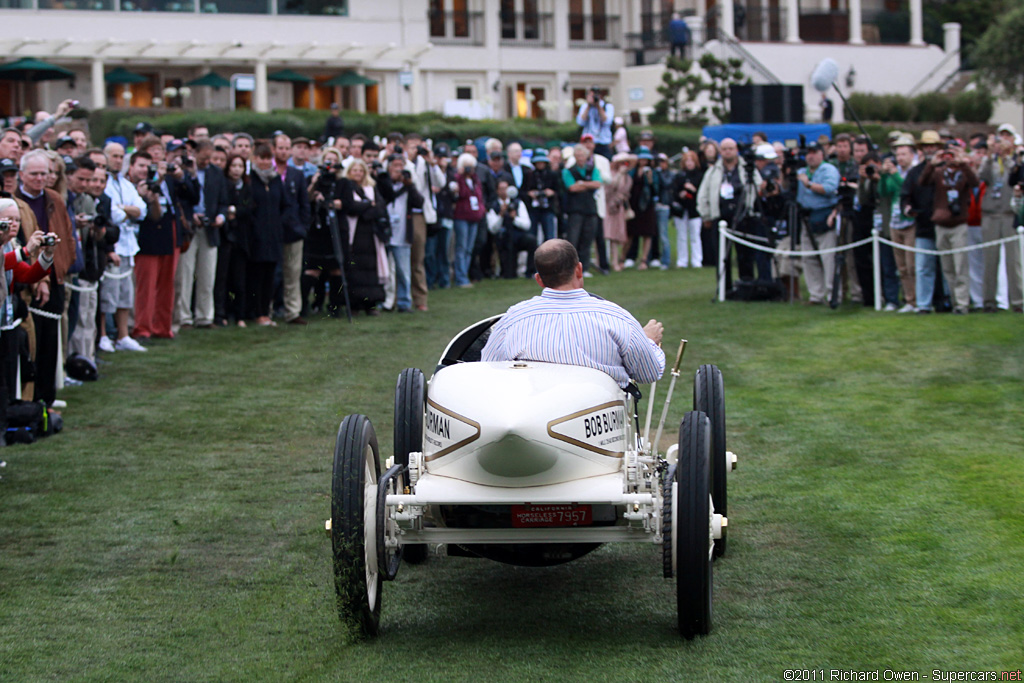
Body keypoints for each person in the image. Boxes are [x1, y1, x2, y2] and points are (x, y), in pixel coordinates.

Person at [481, 239, 665, 389]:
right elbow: (648, 373)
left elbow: (488, 369)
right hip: (598, 422)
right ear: (578, 269)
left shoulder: (513, 318)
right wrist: (648, 341)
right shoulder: (616, 317)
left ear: (539, 279)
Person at [16, 150, 75, 407]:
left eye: (45, 173)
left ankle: (47, 397)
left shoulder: (53, 198)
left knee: (52, 340)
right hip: (29, 277)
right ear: (22, 175)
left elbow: (67, 232)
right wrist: (39, 280)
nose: (41, 178)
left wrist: (62, 265)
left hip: (56, 274)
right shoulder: (15, 202)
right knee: (33, 341)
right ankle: (31, 397)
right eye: (35, 174)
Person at [920, 142, 978, 315]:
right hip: (941, 223)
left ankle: (962, 303)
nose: (949, 157)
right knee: (947, 267)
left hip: (959, 223)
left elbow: (975, 182)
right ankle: (954, 302)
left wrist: (963, 163)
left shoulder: (963, 172)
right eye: (947, 153)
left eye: (952, 154)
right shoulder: (939, 172)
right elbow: (923, 182)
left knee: (961, 265)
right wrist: (932, 163)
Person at [176, 140, 228, 329]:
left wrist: (221, 216)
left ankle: (205, 316)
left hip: (210, 228)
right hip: (190, 228)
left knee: (207, 275)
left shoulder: (216, 173)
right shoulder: (185, 171)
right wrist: (191, 216)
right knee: (186, 274)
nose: (207, 161)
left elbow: (223, 200)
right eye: (204, 157)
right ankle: (184, 317)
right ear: (195, 153)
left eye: (210, 157)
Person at [246, 144, 294, 326]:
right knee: (256, 275)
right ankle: (256, 311)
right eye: (261, 158)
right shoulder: (250, 180)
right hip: (255, 236)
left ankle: (266, 311)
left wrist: (278, 223)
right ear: (255, 159)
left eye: (267, 158)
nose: (265, 162)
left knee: (270, 276)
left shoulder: (275, 181)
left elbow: (287, 205)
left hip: (274, 236)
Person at [978, 135, 1023, 313]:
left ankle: (1018, 301)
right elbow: (982, 176)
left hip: (1009, 214)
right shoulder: (990, 161)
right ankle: (988, 301)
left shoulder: (1014, 161)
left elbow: (1016, 176)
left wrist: (1009, 156)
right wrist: (990, 154)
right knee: (990, 260)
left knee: (1014, 261)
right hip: (990, 215)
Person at [339, 158, 387, 315]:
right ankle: (354, 305)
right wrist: (369, 205)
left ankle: (371, 304)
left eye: (360, 171)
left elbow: (380, 207)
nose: (358, 173)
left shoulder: (371, 188)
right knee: (354, 270)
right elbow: (351, 207)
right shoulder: (347, 187)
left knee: (371, 271)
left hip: (371, 236)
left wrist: (365, 210)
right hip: (354, 235)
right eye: (355, 171)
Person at [795, 142, 840, 305]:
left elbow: (830, 188)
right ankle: (816, 294)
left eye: (814, 153)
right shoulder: (801, 171)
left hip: (824, 215)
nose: (810, 156)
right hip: (806, 216)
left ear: (822, 154)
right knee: (808, 257)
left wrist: (808, 184)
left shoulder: (828, 169)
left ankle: (832, 293)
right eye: (808, 153)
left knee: (828, 257)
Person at [217, 153, 252, 327]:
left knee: (240, 279)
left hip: (241, 239)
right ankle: (221, 313)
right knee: (222, 277)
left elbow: (249, 209)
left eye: (240, 166)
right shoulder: (223, 185)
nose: (237, 170)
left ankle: (240, 315)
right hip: (225, 237)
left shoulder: (247, 187)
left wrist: (235, 211)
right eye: (234, 166)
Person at [562, 143, 603, 277]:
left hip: (590, 209)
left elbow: (598, 183)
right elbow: (571, 187)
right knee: (573, 239)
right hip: (575, 210)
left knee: (587, 239)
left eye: (582, 155)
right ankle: (571, 268)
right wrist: (588, 185)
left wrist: (582, 184)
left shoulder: (593, 169)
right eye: (578, 155)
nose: (580, 157)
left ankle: (583, 268)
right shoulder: (569, 170)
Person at [488, 178, 535, 279]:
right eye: (501, 189)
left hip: (517, 236)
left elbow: (526, 224)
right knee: (509, 273)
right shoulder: (493, 206)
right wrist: (501, 215)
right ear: (497, 191)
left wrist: (514, 218)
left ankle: (529, 271)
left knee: (532, 241)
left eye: (506, 188)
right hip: (503, 238)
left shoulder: (518, 203)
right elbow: (493, 229)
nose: (504, 192)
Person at [452, 153, 486, 288]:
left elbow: (479, 196)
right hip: (461, 216)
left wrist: (481, 210)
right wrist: (460, 176)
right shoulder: (458, 179)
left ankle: (464, 274)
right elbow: (461, 194)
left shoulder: (475, 180)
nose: (469, 170)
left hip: (474, 216)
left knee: (469, 248)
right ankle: (460, 277)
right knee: (461, 247)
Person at [626, 147, 659, 270]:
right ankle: (629, 256)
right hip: (634, 204)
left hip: (647, 205)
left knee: (647, 233)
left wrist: (650, 179)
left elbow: (655, 190)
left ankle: (644, 259)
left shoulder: (652, 172)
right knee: (632, 232)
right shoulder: (632, 171)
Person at [672, 150, 704, 268]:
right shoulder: (679, 176)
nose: (689, 163)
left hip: (694, 210)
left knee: (695, 235)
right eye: (687, 161)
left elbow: (702, 192)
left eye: (691, 161)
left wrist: (693, 190)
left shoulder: (700, 176)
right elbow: (674, 191)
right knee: (681, 236)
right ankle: (682, 260)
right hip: (681, 209)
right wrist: (680, 194)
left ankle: (697, 260)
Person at [603, 153, 634, 271]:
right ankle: (604, 259)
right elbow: (610, 188)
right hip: (608, 206)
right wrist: (620, 174)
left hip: (619, 207)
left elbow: (626, 192)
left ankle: (615, 261)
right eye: (622, 163)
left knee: (616, 235)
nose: (624, 166)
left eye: (626, 163)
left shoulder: (628, 178)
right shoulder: (611, 174)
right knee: (607, 233)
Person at [576, 87, 614, 159]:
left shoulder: (607, 106)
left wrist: (598, 106)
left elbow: (607, 121)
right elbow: (580, 122)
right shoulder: (584, 107)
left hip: (603, 141)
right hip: (588, 141)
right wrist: (588, 106)